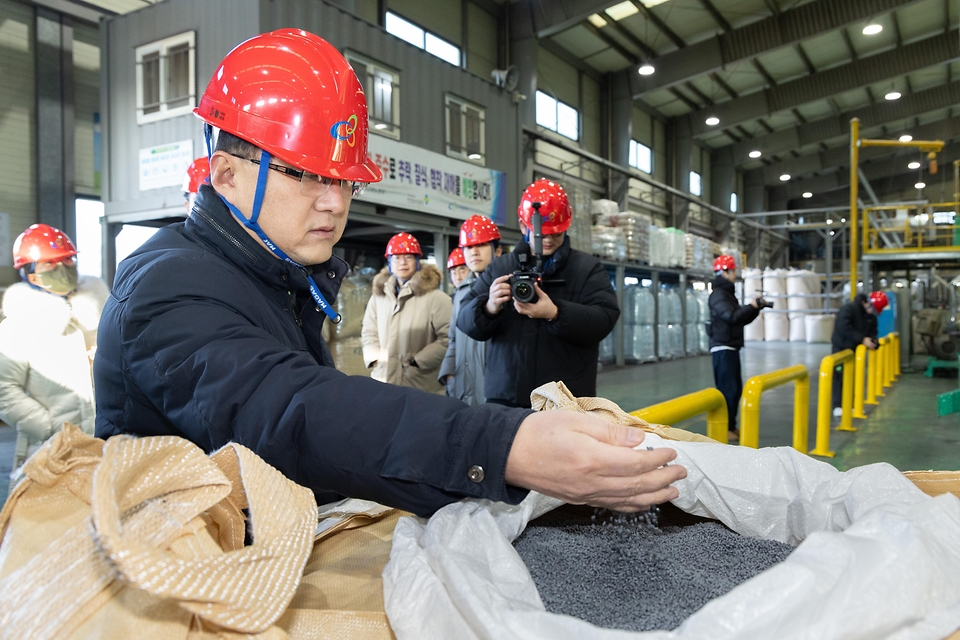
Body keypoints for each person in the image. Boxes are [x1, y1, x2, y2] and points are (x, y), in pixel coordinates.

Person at [94, 29, 684, 518]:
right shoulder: (166, 283)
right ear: (225, 175)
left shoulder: (275, 274)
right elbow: (289, 411)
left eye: (343, 179)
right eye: (306, 174)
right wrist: (504, 446)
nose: (334, 203)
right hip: (177, 575)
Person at [458, 180, 620, 408]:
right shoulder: (499, 268)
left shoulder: (586, 268)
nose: (549, 240)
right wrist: (489, 307)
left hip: (566, 399)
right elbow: (464, 319)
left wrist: (555, 313)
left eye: (556, 233)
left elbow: (605, 319)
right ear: (524, 227)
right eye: (541, 234)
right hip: (507, 397)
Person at [0, 224, 108, 472]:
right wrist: (47, 427)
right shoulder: (17, 326)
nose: (63, 267)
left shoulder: (100, 312)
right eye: (49, 263)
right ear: (30, 274)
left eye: (68, 259)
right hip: (50, 448)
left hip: (106, 441)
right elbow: (4, 390)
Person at [361, 233, 451, 394]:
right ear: (389, 263)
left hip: (419, 383)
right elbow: (369, 330)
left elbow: (448, 338)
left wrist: (418, 362)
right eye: (396, 257)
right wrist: (375, 359)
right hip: (383, 378)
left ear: (417, 261)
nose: (402, 262)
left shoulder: (437, 298)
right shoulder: (379, 297)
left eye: (408, 257)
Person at [439, 215, 502, 405]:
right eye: (468, 247)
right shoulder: (461, 293)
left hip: (495, 390)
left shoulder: (504, 288)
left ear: (497, 251)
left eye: (481, 246)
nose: (474, 252)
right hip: (463, 388)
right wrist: (449, 375)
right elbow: (454, 338)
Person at [706, 255, 764, 441]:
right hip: (723, 348)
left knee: (734, 389)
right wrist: (751, 306)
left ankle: (731, 425)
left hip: (731, 346)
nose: (735, 274)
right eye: (732, 270)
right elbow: (731, 316)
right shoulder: (718, 295)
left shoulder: (727, 294)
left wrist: (755, 308)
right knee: (727, 390)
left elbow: (740, 318)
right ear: (724, 272)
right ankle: (724, 428)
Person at [831, 291, 883, 413]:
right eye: (871, 307)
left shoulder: (870, 317)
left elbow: (873, 332)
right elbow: (844, 327)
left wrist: (874, 342)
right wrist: (861, 339)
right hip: (841, 349)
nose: (872, 311)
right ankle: (838, 406)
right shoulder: (849, 309)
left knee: (854, 377)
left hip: (854, 351)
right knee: (839, 376)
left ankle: (853, 405)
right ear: (865, 303)